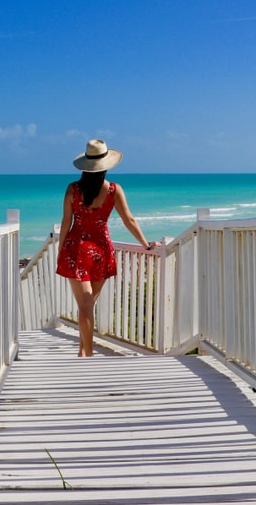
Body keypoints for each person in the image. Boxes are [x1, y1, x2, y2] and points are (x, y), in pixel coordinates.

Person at [56, 139, 155, 357]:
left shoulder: (73, 189)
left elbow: (66, 223)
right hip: (101, 251)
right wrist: (146, 245)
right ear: (106, 165)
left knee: (85, 305)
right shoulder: (113, 190)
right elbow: (129, 220)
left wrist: (60, 250)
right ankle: (86, 355)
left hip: (76, 250)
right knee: (87, 305)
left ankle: (85, 353)